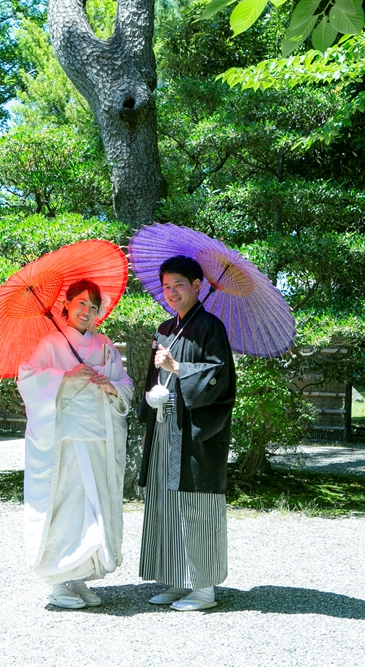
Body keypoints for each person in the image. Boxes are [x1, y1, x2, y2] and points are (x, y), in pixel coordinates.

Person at [18, 279, 135, 609]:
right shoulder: (52, 344)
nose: (86, 311)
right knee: (67, 509)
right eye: (80, 303)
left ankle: (78, 578)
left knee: (94, 507)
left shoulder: (106, 345)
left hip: (99, 435)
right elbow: (27, 379)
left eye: (93, 307)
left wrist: (112, 387)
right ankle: (59, 582)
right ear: (66, 305)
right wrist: (64, 379)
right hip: (67, 439)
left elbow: (124, 384)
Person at [137, 255, 236, 611]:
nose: (172, 292)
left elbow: (217, 379)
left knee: (197, 503)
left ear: (198, 285)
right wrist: (148, 421)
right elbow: (152, 381)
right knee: (166, 503)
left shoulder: (212, 328)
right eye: (166, 286)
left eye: (179, 284)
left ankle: (204, 587)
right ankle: (177, 580)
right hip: (165, 427)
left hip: (195, 433)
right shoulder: (165, 329)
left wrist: (176, 366)